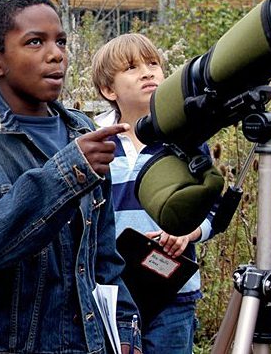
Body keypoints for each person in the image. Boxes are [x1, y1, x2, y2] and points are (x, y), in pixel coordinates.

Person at [0, 0, 142, 354]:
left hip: (90, 345)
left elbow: (104, 255)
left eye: (60, 41)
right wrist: (68, 172)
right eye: (35, 42)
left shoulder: (83, 132)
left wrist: (126, 332)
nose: (56, 54)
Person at [91, 33, 217, 354]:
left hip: (173, 291)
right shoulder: (96, 144)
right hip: (113, 293)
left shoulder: (185, 140)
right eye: (132, 68)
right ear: (109, 90)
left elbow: (214, 204)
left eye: (153, 64)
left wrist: (190, 232)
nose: (148, 72)